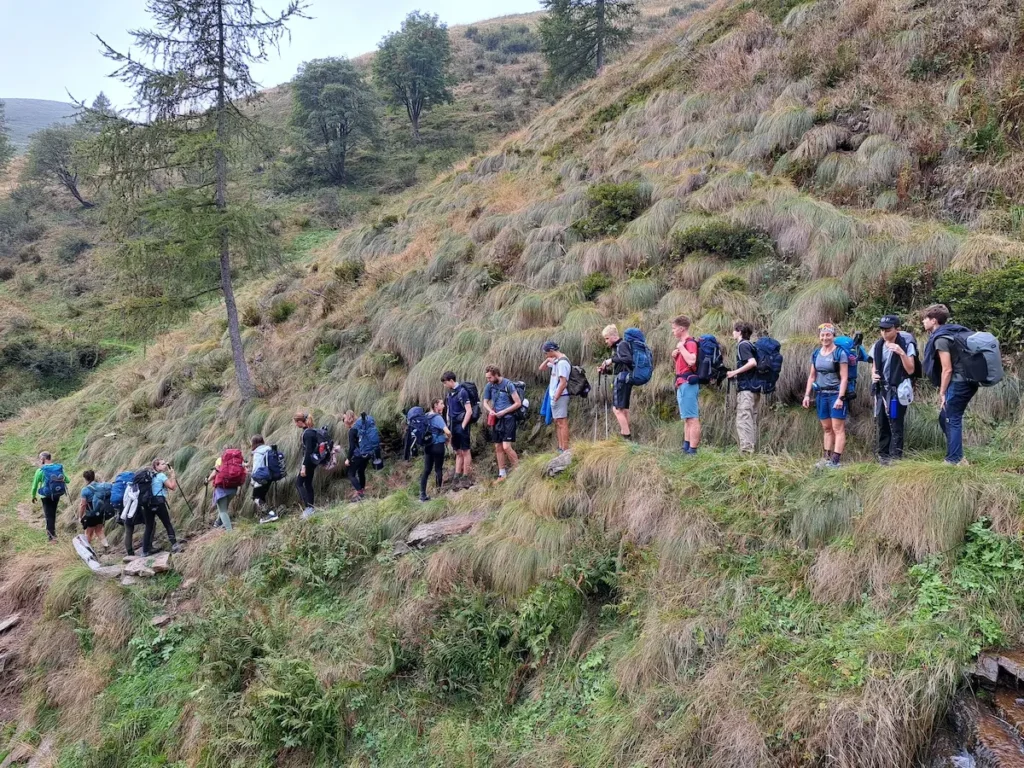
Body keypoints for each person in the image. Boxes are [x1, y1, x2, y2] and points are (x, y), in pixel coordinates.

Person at [922, 303, 977, 465]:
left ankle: (953, 460)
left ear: (934, 321)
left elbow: (947, 369)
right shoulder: (953, 332)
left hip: (959, 382)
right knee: (944, 417)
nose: (923, 322)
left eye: (925, 319)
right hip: (968, 380)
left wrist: (942, 392)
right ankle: (957, 454)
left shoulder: (941, 339)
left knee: (952, 417)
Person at [869, 315, 917, 465]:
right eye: (882, 330)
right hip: (882, 390)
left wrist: (900, 352)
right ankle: (883, 456)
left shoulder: (906, 344)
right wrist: (873, 375)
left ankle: (895, 457)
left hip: (896, 393)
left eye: (888, 330)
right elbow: (875, 365)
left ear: (897, 329)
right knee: (883, 422)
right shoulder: (878, 345)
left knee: (895, 421)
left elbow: (910, 369)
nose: (884, 333)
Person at [802, 323, 849, 468]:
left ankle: (835, 461)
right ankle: (826, 458)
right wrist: (807, 395)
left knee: (838, 428)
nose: (825, 337)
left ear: (833, 336)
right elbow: (811, 376)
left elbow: (844, 377)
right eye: (822, 335)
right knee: (827, 428)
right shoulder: (816, 353)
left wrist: (841, 398)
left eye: (828, 334)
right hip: (821, 394)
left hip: (835, 394)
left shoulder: (839, 353)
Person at [483, 365, 522, 481]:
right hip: (496, 419)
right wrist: (491, 411)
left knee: (506, 446)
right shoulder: (489, 386)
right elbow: (485, 402)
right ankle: (502, 474)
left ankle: (518, 470)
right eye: (487, 378)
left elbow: (518, 403)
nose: (488, 380)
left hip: (508, 418)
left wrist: (504, 411)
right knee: (498, 446)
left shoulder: (508, 384)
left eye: (490, 377)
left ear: (496, 375)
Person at [726, 322, 759, 454]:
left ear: (739, 331)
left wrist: (734, 372)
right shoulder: (751, 345)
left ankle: (746, 452)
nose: (733, 333)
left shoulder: (742, 345)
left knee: (744, 419)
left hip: (746, 389)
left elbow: (752, 363)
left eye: (734, 330)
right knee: (751, 419)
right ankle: (750, 450)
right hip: (755, 388)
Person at [599, 325, 635, 440]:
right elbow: (622, 365)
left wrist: (611, 360)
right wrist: (606, 371)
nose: (606, 341)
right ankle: (626, 435)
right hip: (626, 378)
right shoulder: (619, 346)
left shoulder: (621, 345)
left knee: (617, 409)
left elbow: (628, 359)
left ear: (614, 336)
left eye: (607, 338)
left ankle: (626, 436)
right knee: (624, 409)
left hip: (622, 380)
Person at [671, 316, 701, 455]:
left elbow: (692, 361)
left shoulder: (689, 343)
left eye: (674, 328)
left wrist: (681, 348)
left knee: (693, 418)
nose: (673, 331)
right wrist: (675, 355)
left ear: (682, 329)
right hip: (682, 384)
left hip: (688, 383)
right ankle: (686, 448)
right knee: (687, 418)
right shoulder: (683, 345)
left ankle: (692, 452)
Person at [441, 372, 474, 488]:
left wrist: (463, 426)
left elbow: (469, 411)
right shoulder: (450, 394)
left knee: (465, 451)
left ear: (451, 380)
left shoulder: (462, 392)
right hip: (453, 426)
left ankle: (466, 477)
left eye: (445, 383)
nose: (445, 385)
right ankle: (457, 476)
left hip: (461, 425)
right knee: (458, 452)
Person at [144, 458, 181, 556]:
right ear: (156, 466)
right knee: (167, 523)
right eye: (162, 464)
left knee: (149, 526)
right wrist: (173, 476)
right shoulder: (161, 475)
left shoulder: (149, 476)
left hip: (148, 503)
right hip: (159, 502)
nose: (165, 465)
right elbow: (172, 487)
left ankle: (145, 550)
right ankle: (175, 545)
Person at [539, 341, 571, 452]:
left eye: (546, 353)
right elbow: (541, 368)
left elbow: (563, 383)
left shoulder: (562, 362)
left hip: (560, 396)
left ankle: (565, 448)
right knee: (558, 422)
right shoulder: (556, 361)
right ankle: (560, 446)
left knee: (562, 422)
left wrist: (556, 398)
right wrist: (548, 360)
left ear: (551, 351)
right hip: (555, 395)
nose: (545, 355)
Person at [30, 452, 67, 543]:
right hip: (57, 493)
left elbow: (34, 486)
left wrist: (33, 496)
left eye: (40, 458)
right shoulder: (58, 468)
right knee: (53, 513)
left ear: (43, 459)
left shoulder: (40, 471)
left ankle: (52, 537)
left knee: (48, 515)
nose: (40, 460)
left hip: (45, 496)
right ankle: (52, 533)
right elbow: (67, 480)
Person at [420, 399, 452, 502]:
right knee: (438, 469)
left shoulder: (426, 416)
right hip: (438, 446)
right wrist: (448, 438)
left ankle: (423, 495)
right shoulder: (437, 418)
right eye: (441, 404)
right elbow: (447, 431)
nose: (443, 406)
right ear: (435, 405)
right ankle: (439, 495)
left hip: (428, 446)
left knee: (426, 470)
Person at [206, 446, 242, 531]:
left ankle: (229, 532)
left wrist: (207, 480)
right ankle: (218, 523)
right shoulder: (237, 460)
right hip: (233, 488)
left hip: (222, 489)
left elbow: (215, 472)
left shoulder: (220, 459)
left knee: (222, 511)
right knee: (223, 507)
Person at [294, 410, 319, 518]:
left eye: (296, 422)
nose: (295, 424)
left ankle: (308, 508)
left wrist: (304, 466)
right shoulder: (310, 431)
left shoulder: (307, 433)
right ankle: (310, 507)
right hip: (312, 462)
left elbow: (308, 451)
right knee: (308, 484)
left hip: (309, 462)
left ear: (300, 421)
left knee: (299, 483)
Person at [341, 410, 369, 502]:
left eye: (344, 418)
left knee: (350, 474)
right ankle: (362, 491)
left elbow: (352, 447)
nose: (343, 420)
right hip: (367, 453)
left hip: (358, 455)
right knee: (361, 471)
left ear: (349, 418)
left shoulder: (352, 430)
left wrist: (348, 459)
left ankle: (360, 492)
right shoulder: (360, 426)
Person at [250, 435, 278, 523]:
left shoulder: (258, 453)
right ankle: (265, 516)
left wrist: (252, 481)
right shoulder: (269, 449)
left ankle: (270, 514)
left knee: (255, 497)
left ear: (253, 443)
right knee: (261, 496)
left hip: (261, 477)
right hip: (269, 476)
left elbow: (256, 468)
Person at [78, 470, 109, 551]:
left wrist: (80, 517)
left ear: (85, 479)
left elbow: (83, 505)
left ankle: (88, 550)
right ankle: (106, 545)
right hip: (101, 512)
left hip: (91, 514)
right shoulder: (100, 486)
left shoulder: (85, 490)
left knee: (88, 533)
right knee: (99, 531)